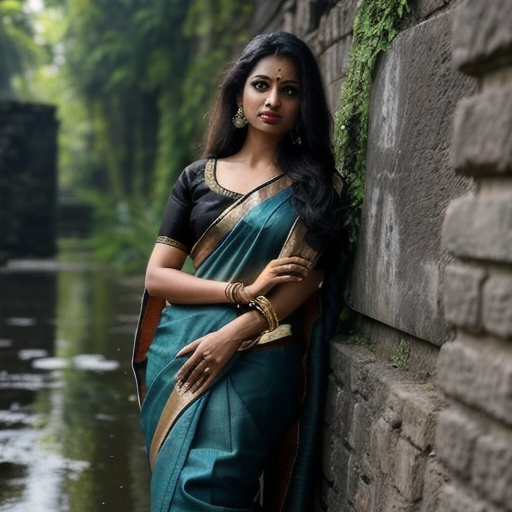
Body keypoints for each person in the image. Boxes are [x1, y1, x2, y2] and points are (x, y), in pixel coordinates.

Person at [132, 31, 347, 512]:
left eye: (289, 90)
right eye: (261, 84)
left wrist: (233, 335)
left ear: (303, 104)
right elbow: (158, 278)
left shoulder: (315, 188)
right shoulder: (196, 177)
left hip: (261, 353)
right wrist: (240, 290)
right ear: (239, 92)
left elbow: (308, 278)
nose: (273, 99)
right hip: (182, 352)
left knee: (209, 488)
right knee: (173, 494)